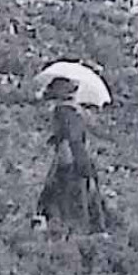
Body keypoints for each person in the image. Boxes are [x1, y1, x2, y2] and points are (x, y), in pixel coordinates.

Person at [36, 100, 109, 233]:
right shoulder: (74, 117)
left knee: (63, 203)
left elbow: (67, 147)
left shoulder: (65, 115)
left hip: (69, 168)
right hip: (77, 168)